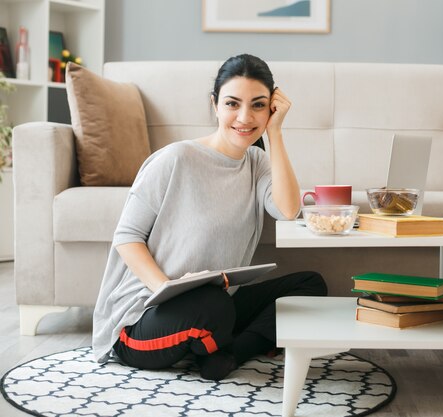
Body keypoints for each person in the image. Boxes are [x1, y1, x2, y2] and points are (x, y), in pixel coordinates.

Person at [92, 54, 327, 381]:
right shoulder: (175, 159)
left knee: (310, 285)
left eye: (258, 105)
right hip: (144, 318)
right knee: (214, 306)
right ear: (214, 105)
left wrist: (276, 134)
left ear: (270, 109)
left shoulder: (257, 163)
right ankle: (229, 342)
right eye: (233, 104)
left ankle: (229, 353)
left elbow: (288, 209)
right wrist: (168, 289)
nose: (245, 117)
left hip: (216, 303)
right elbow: (127, 239)